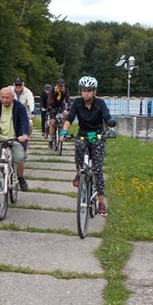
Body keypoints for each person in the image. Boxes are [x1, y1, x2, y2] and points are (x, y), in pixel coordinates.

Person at [60, 75, 116, 216]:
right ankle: (79, 172)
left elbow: (107, 117)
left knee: (97, 170)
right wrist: (64, 131)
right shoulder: (77, 103)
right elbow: (70, 118)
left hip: (97, 136)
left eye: (89, 90)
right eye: (84, 90)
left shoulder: (100, 103)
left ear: (94, 91)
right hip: (83, 135)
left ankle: (101, 203)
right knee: (79, 146)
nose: (86, 93)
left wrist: (111, 129)